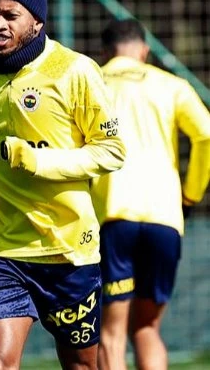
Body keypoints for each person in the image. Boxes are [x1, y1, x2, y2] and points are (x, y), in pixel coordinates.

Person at [0, 0, 126, 369]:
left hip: (68, 253)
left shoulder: (75, 71)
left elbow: (112, 150)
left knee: (81, 365)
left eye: (10, 15)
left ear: (37, 21)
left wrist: (39, 161)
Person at [92, 19, 210, 370]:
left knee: (110, 334)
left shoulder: (92, 83)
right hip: (165, 219)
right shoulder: (172, 85)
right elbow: (206, 135)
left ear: (105, 52)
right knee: (146, 327)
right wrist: (191, 194)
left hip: (113, 217)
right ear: (144, 50)